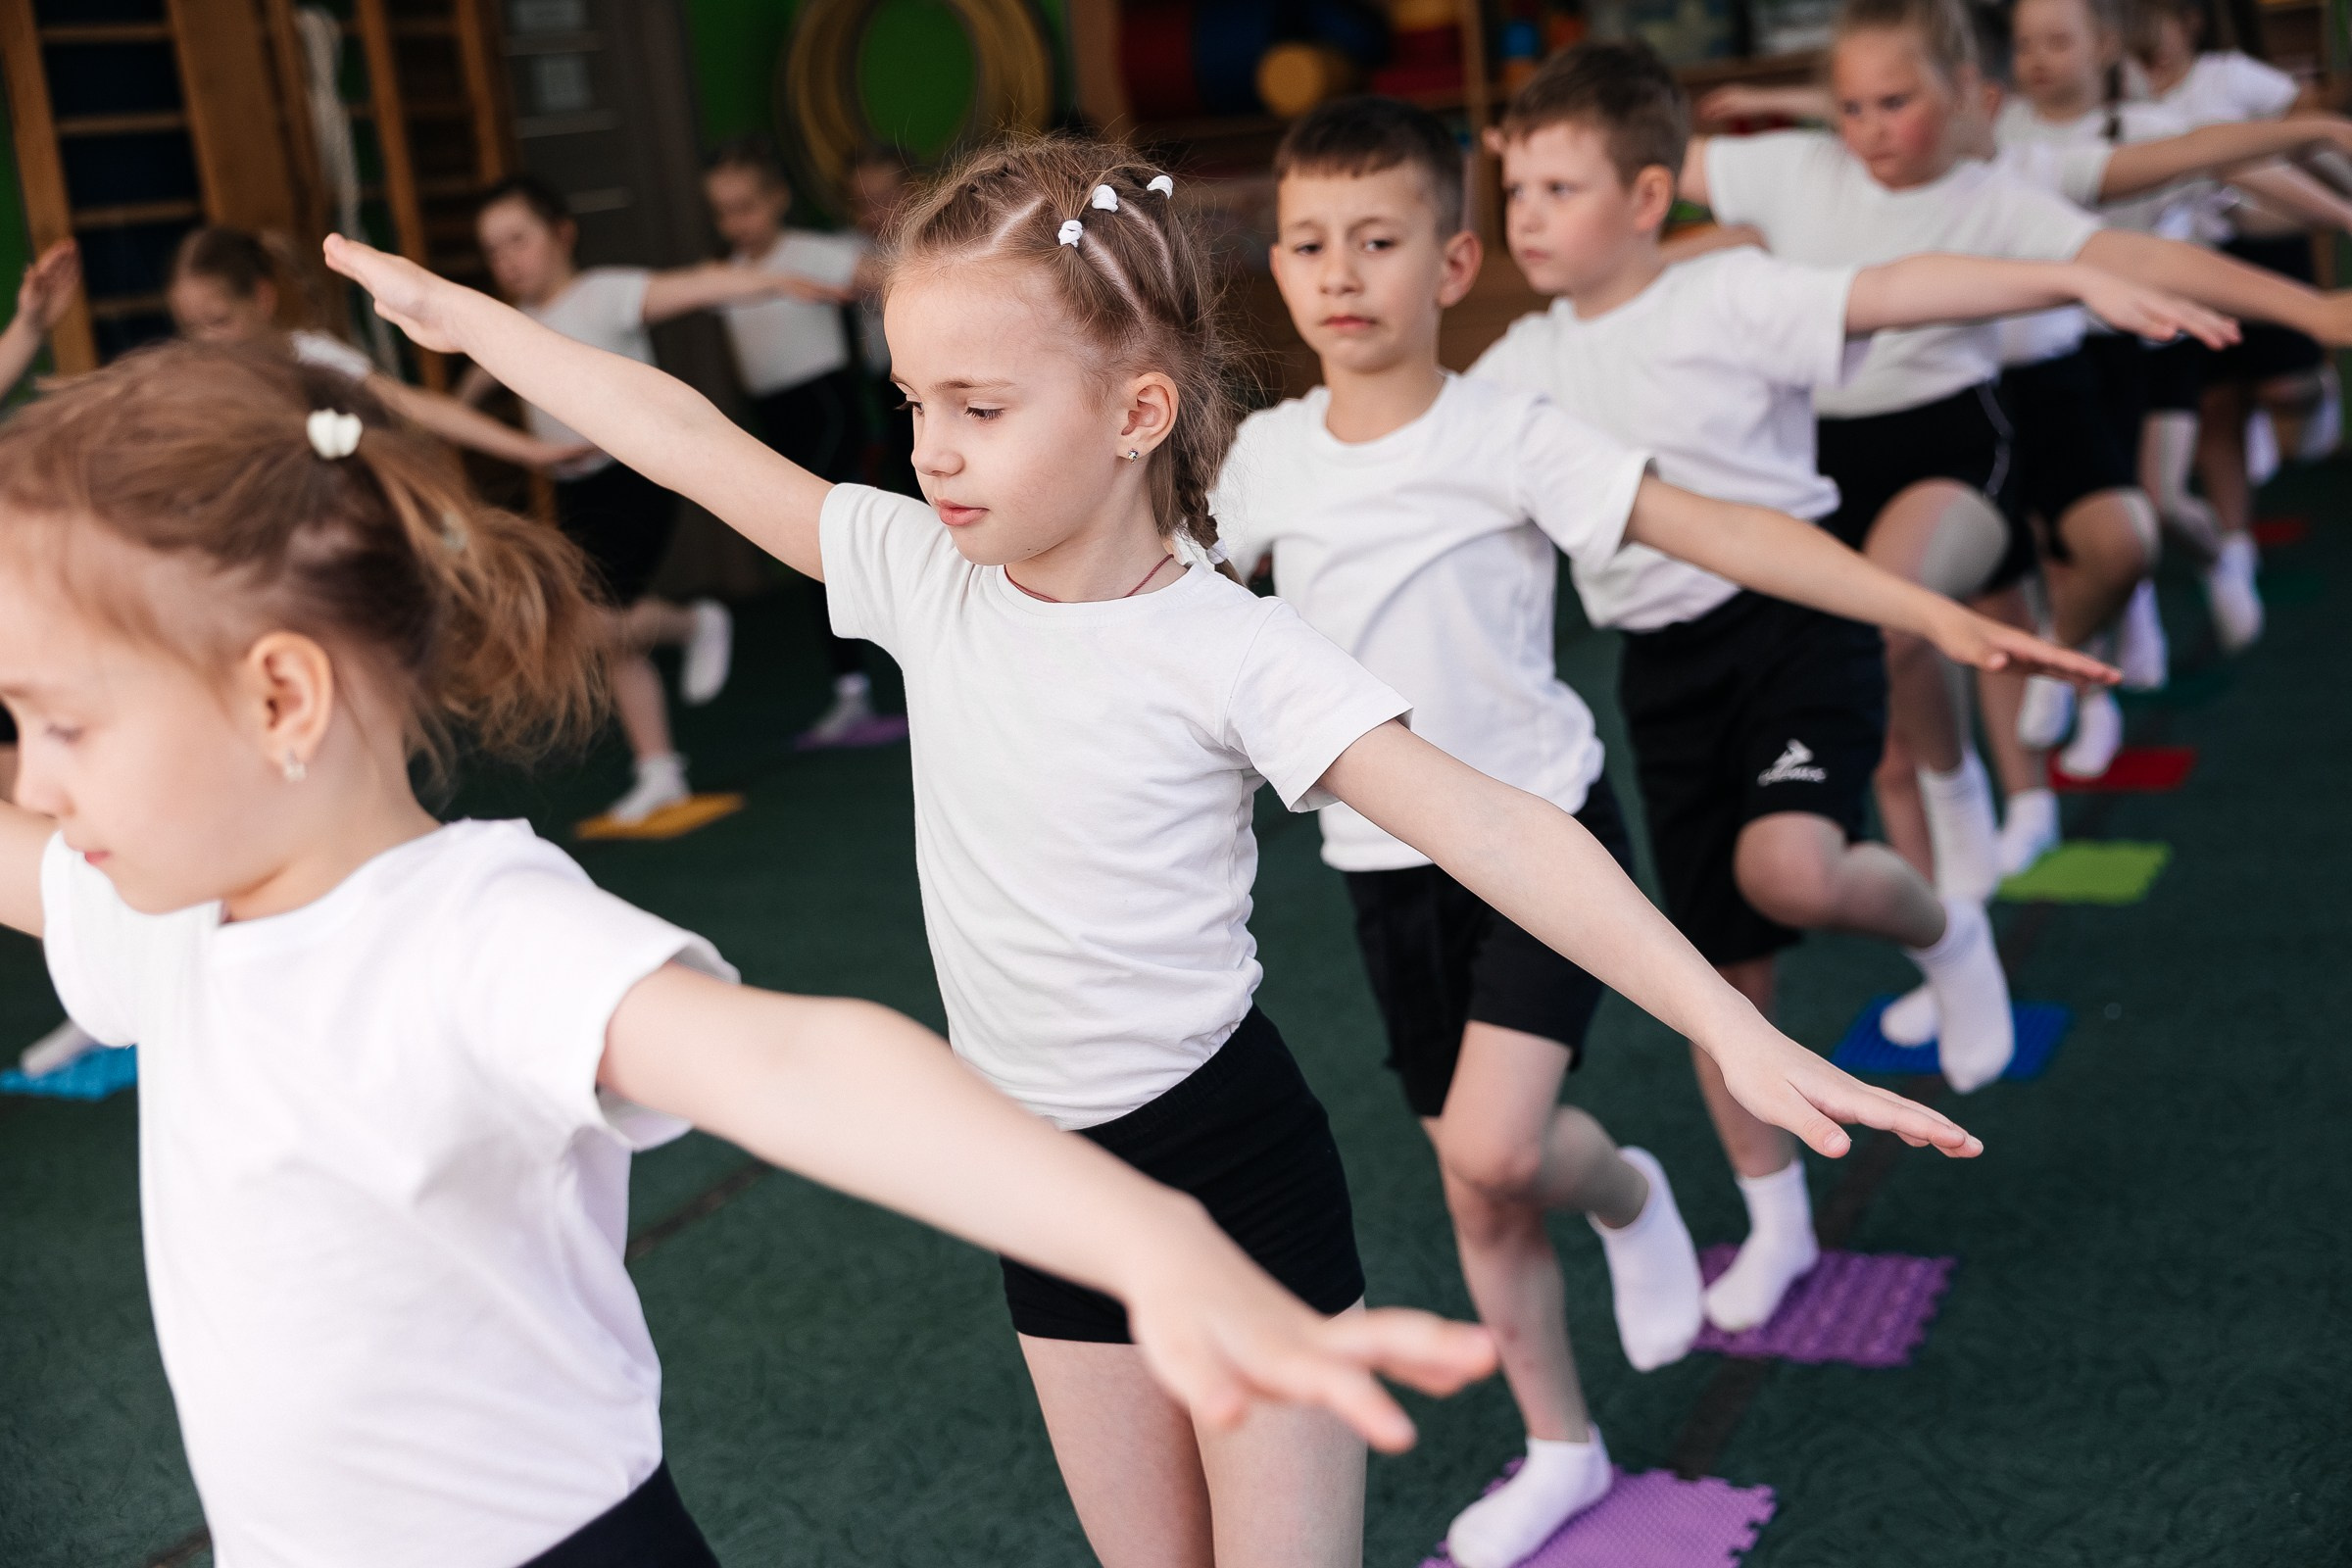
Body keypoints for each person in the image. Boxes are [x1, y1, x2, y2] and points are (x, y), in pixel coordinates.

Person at [326, 134, 1984, 1568]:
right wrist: (475, 326)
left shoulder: (1228, 648)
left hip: (1226, 1168)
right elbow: (683, 433)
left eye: (979, 405)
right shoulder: (921, 575)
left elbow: (1491, 824)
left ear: (1136, 410)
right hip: (1042, 1187)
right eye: (915, 403)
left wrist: (1725, 1022)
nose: (930, 448)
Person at [0, 339, 1502, 1565]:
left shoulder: (466, 934)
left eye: (59, 725)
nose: (37, 782)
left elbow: (799, 1062)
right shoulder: (171, 933)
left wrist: (1153, 1244)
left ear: (280, 698)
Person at [1229, 88, 2132, 1565]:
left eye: (1378, 240)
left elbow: (1725, 531)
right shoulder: (1263, 460)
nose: (1340, 273)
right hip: (1383, 866)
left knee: (1493, 1152)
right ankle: (1585, 1368)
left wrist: (1924, 611)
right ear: (1276, 265)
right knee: (1486, 1175)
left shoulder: (1511, 429)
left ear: (1453, 264)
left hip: (1541, 841)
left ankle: (1602, 1274)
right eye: (1310, 242)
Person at [1677, 0, 2352, 907]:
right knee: (1876, 706)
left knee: (1916, 617)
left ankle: (1979, 787)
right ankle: (1952, 903)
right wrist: (1536, 159)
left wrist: (2311, 309)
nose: (1871, 130)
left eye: (1896, 103)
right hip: (1816, 456)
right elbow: (1636, 170)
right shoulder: (1795, 168)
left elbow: (2135, 249)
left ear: (1964, 93)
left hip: (1957, 439)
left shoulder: (1999, 189)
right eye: (1852, 107)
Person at [461, 175, 836, 824]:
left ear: (562, 233)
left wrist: (773, 280)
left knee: (594, 623)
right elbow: (469, 375)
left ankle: (695, 625)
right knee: (611, 636)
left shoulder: (602, 294)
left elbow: (694, 286)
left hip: (632, 479)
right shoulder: (515, 323)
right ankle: (659, 770)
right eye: (493, 249)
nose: (507, 259)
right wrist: (437, 412)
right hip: (575, 491)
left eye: (518, 239)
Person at [702, 136, 901, 748]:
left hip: (829, 410)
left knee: (828, 544)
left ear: (778, 198)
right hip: (777, 419)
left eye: (746, 206)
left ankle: (889, 679)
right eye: (723, 211)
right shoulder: (726, 276)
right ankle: (852, 691)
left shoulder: (816, 253)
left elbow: (897, 281)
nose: (736, 222)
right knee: (818, 559)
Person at [168, 225, 591, 472]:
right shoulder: (192, 385)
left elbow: (414, 406)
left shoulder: (313, 357)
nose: (206, 340)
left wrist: (530, 450)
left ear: (262, 298)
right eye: (191, 328)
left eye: (218, 321)